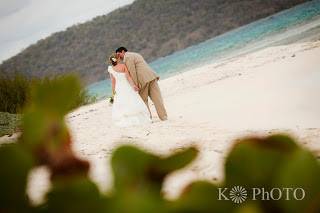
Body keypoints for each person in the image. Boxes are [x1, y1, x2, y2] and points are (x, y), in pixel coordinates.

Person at [116, 47, 168, 121]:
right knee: (157, 99)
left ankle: (148, 118)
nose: (119, 56)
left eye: (119, 54)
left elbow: (132, 71)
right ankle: (164, 117)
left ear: (123, 51)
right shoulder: (135, 54)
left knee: (143, 101)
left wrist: (135, 85)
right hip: (151, 76)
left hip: (143, 80)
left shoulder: (127, 57)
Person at [107, 53, 151, 127]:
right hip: (127, 86)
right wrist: (133, 86)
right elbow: (128, 77)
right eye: (119, 58)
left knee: (122, 103)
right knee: (132, 100)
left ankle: (126, 119)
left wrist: (113, 92)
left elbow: (113, 82)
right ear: (117, 59)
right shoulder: (123, 66)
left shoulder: (111, 69)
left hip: (119, 88)